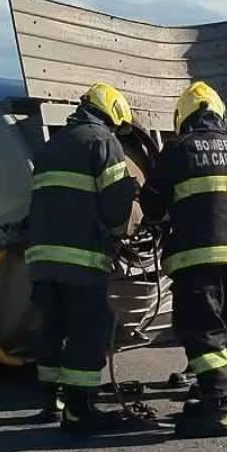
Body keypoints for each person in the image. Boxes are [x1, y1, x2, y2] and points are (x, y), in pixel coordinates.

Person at [140, 81, 227, 439]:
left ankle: (216, 409)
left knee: (201, 328)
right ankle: (218, 394)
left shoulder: (180, 149)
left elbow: (153, 204)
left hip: (197, 255)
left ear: (184, 116)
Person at [25, 82, 139, 433]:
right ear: (112, 114)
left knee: (52, 328)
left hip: (42, 259)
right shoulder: (102, 142)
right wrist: (119, 233)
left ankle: (51, 401)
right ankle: (79, 410)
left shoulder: (51, 146)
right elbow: (116, 205)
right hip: (82, 259)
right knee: (88, 330)